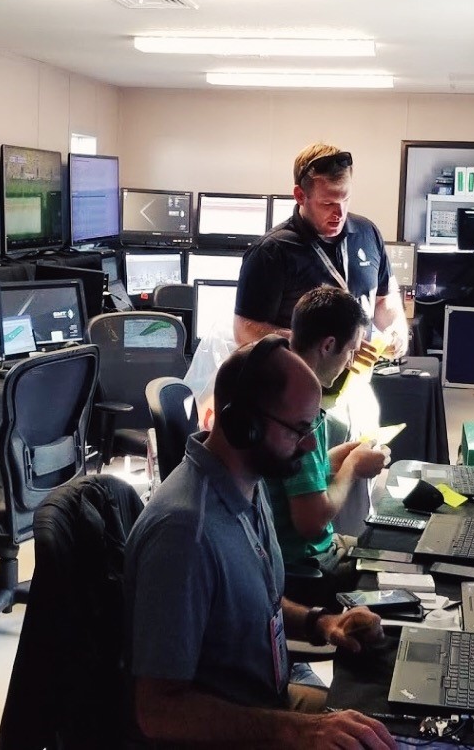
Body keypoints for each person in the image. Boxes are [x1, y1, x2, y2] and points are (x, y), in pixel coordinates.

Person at [125, 336, 398, 749]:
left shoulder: (250, 482)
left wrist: (321, 623)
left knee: (396, 722)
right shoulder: (183, 536)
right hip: (234, 731)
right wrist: (300, 730)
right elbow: (158, 711)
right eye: (298, 430)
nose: (310, 445)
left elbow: (248, 603)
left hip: (270, 699)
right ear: (243, 425)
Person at [268, 286, 389, 607]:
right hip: (306, 566)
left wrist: (340, 458)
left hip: (295, 554)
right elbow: (312, 522)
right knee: (396, 564)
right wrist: (352, 469)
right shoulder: (302, 412)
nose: (350, 363)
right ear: (328, 345)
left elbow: (295, 473)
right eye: (350, 352)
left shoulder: (279, 388)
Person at [234, 142, 409, 362]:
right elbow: (245, 330)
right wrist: (315, 345)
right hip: (298, 377)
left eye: (346, 199)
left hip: (358, 376)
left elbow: (384, 298)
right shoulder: (271, 251)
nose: (340, 213)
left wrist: (396, 328)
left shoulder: (367, 233)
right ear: (300, 195)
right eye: (328, 203)